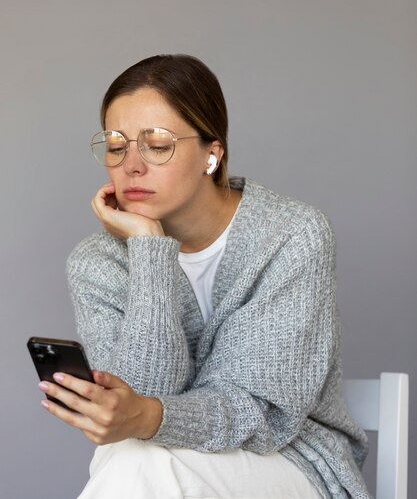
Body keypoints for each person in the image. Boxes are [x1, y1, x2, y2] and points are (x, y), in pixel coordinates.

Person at [38, 54, 370, 499]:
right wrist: (149, 250)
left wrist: (147, 417)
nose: (131, 165)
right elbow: (141, 400)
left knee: (141, 465)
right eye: (116, 145)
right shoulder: (97, 262)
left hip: (290, 459)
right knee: (139, 461)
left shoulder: (291, 236)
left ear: (211, 155)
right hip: (151, 465)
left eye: (156, 144)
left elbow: (260, 415)